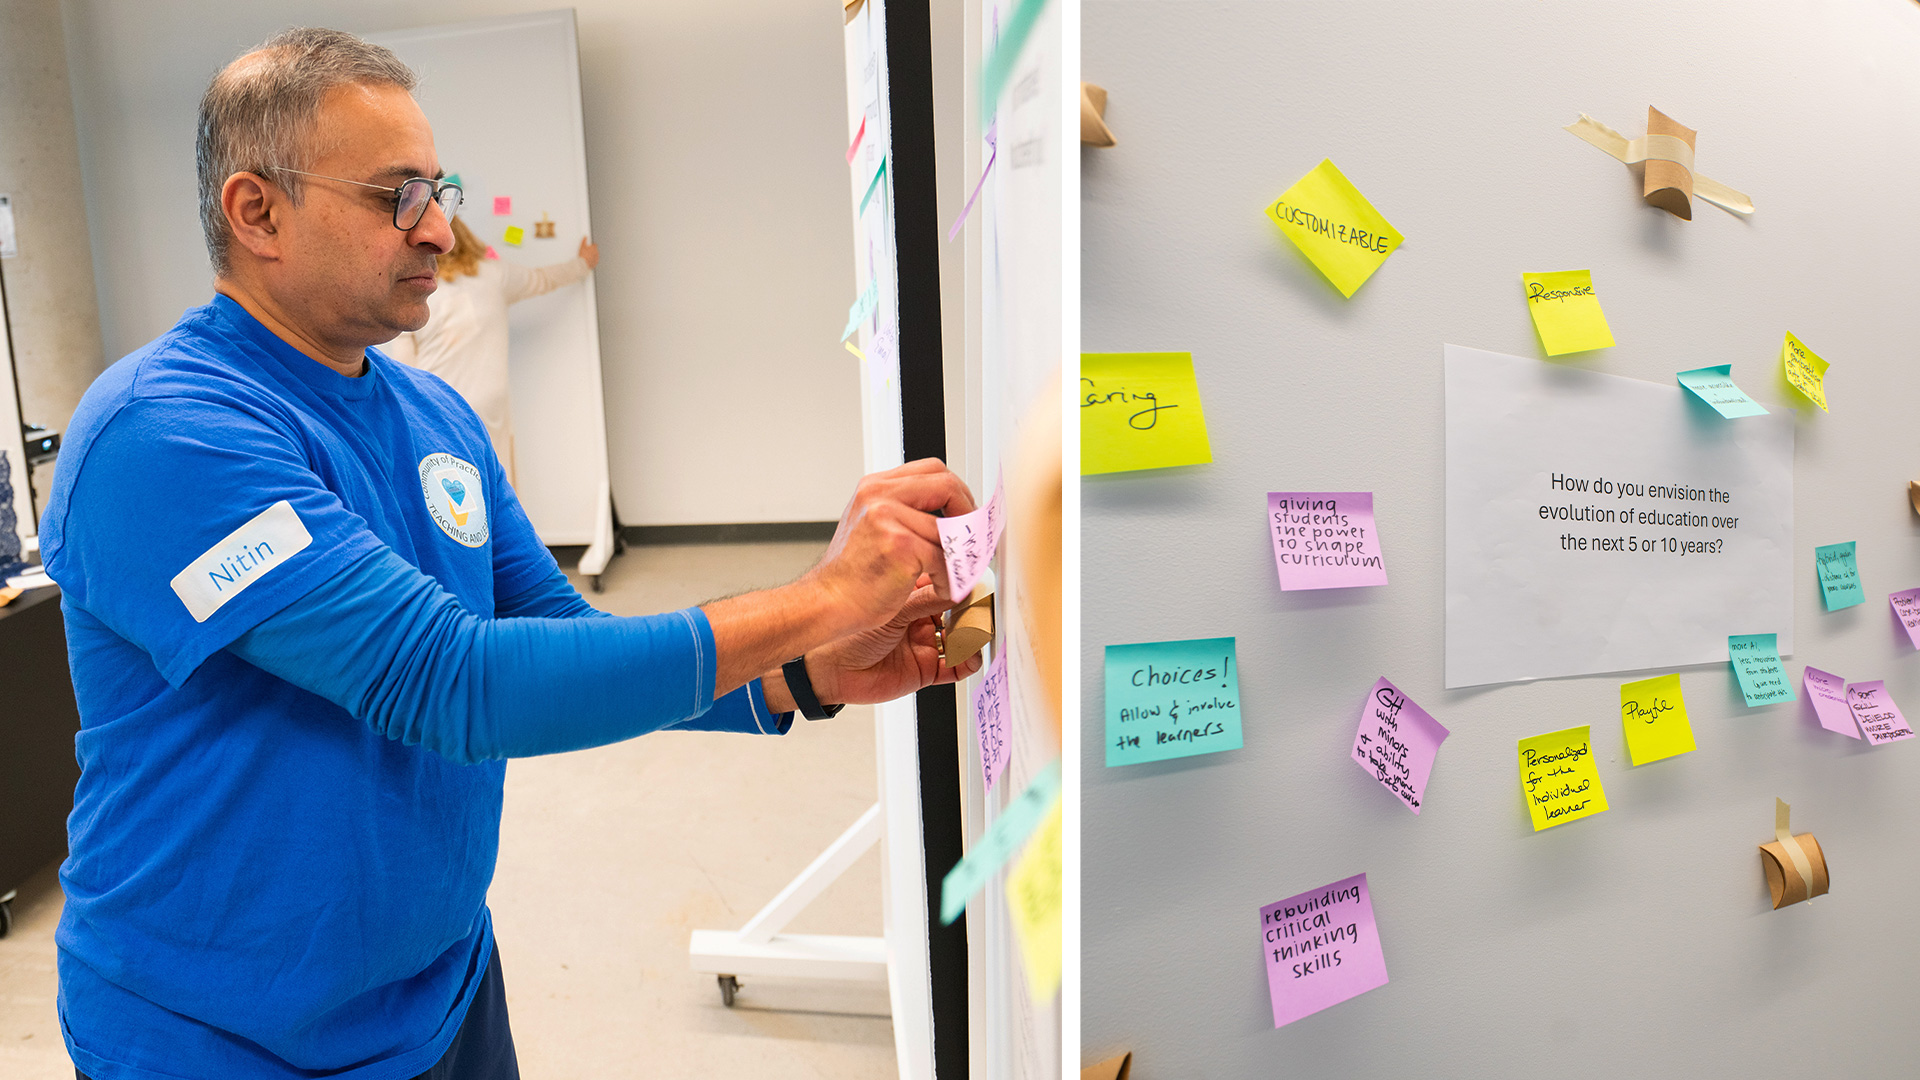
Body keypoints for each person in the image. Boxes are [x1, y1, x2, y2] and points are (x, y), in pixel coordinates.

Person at [40, 27, 978, 1080]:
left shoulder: (433, 414)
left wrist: (801, 674)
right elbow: (451, 683)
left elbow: (559, 636)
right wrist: (824, 598)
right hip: (217, 1040)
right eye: (397, 197)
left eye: (436, 191)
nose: (440, 229)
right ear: (258, 212)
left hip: (438, 991)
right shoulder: (165, 433)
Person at [383, 218, 597, 483]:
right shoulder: (494, 275)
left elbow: (404, 369)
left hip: (437, 405)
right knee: (497, 483)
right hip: (488, 403)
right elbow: (542, 279)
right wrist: (583, 263)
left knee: (446, 487)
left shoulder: (414, 295)